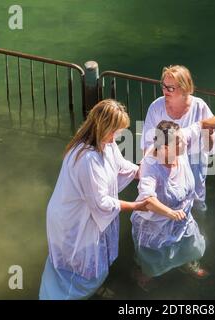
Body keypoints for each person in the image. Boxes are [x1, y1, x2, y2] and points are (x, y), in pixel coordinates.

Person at [39, 99, 148, 300]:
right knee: (80, 266)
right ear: (104, 127)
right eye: (117, 130)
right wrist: (135, 205)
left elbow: (121, 166)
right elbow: (102, 203)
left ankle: (81, 289)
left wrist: (143, 171)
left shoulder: (106, 143)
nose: (119, 136)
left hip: (84, 215)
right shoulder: (87, 158)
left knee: (82, 265)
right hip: (73, 220)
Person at [132, 108, 215, 290]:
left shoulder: (178, 141)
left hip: (182, 218)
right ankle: (146, 274)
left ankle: (188, 264)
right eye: (178, 142)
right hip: (157, 225)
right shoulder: (150, 167)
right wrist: (170, 213)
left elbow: (203, 124)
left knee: (192, 247)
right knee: (155, 260)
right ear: (163, 147)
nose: (184, 143)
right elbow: (147, 200)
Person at [140, 65, 215, 214]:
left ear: (184, 88)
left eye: (170, 88)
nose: (165, 91)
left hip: (194, 165)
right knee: (165, 205)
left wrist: (208, 135)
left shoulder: (199, 107)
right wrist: (148, 170)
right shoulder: (156, 107)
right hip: (164, 167)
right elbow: (148, 144)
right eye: (163, 86)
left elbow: (210, 148)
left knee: (196, 204)